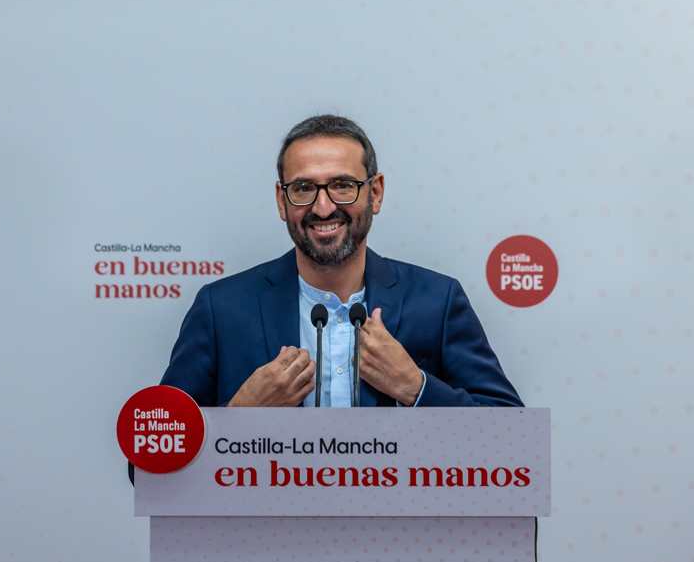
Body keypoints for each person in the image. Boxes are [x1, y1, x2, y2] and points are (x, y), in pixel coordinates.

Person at [161, 114, 523, 408]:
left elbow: (511, 439)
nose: (323, 207)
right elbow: (149, 468)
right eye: (303, 189)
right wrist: (241, 416)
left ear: (375, 193)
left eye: (343, 185)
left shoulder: (437, 300)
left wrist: (416, 388)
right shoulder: (221, 308)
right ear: (281, 201)